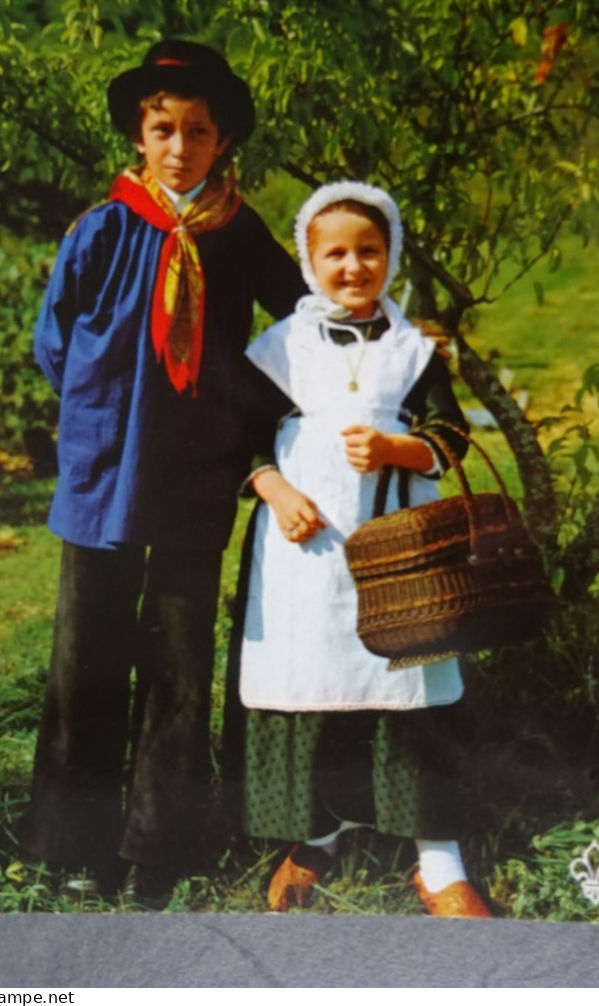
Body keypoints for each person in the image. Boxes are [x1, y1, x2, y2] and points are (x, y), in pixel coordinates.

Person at [20, 39, 306, 907]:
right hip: (103, 470)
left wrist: (239, 414)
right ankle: (74, 844)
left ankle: (158, 846)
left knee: (180, 661)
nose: (179, 146)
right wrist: (103, 412)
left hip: (194, 476)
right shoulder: (103, 226)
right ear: (139, 136)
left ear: (222, 143)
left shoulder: (240, 233)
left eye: (198, 130)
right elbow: (54, 338)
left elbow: (297, 329)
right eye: (163, 127)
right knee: (87, 659)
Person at [233, 182, 492, 917]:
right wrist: (277, 492)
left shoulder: (415, 350)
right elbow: (243, 438)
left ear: (392, 256)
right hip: (305, 546)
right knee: (315, 680)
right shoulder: (280, 345)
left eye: (368, 250)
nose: (353, 265)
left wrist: (397, 449)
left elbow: (450, 434)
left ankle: (439, 859)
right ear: (309, 262)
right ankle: (320, 828)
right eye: (335, 252)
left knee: (409, 680)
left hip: (400, 540)